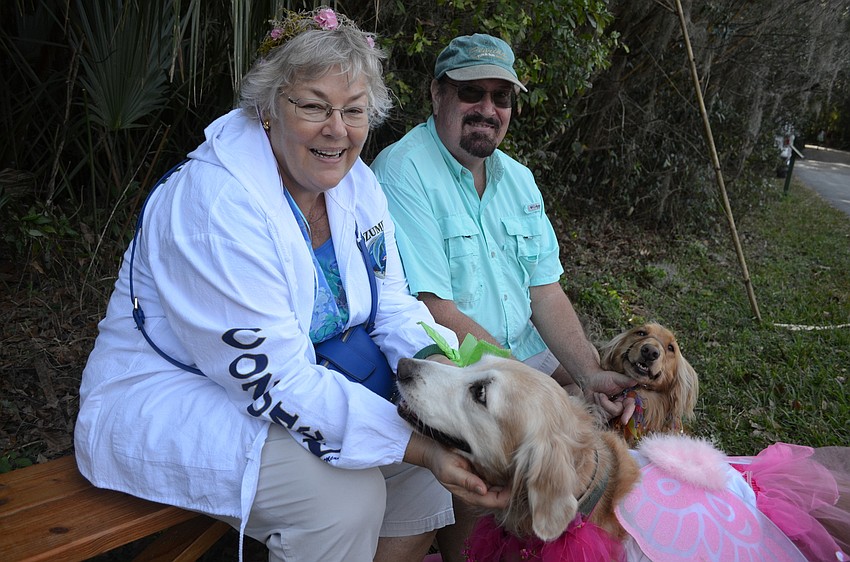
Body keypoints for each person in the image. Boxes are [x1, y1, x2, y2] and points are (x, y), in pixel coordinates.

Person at [74, 10, 507, 562]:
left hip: (302, 378)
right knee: (346, 500)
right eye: (313, 106)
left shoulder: (358, 185)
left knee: (433, 445)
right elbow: (273, 376)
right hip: (176, 393)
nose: (337, 129)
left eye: (354, 111)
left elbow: (391, 304)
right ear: (266, 108)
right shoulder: (217, 203)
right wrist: (420, 447)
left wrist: (437, 374)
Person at [371, 32, 636, 559]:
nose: (487, 109)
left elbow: (546, 291)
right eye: (472, 92)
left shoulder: (518, 179)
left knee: (613, 428)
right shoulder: (402, 172)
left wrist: (587, 373)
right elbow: (433, 309)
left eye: (502, 96)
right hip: (449, 370)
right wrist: (537, 397)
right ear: (437, 94)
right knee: (513, 449)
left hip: (518, 363)